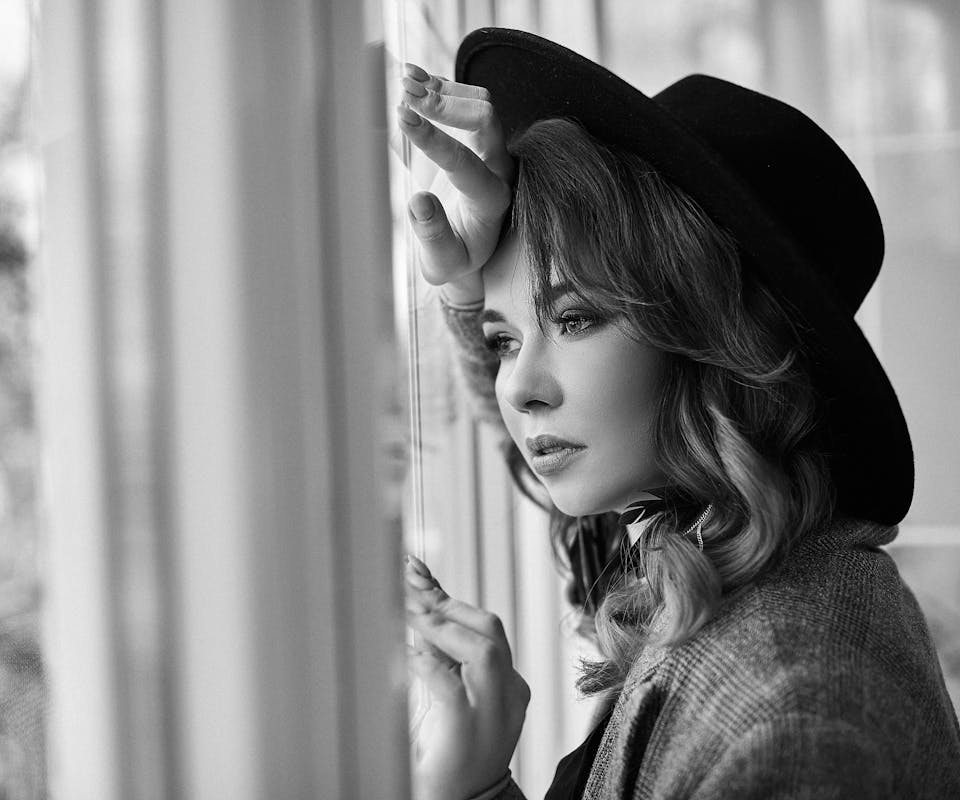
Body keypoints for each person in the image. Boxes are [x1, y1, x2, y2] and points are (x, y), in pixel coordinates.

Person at [397, 27, 960, 800]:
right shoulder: (727, 564)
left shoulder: (789, 723)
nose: (519, 385)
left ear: (707, 337)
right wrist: (470, 294)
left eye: (575, 319)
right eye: (502, 339)